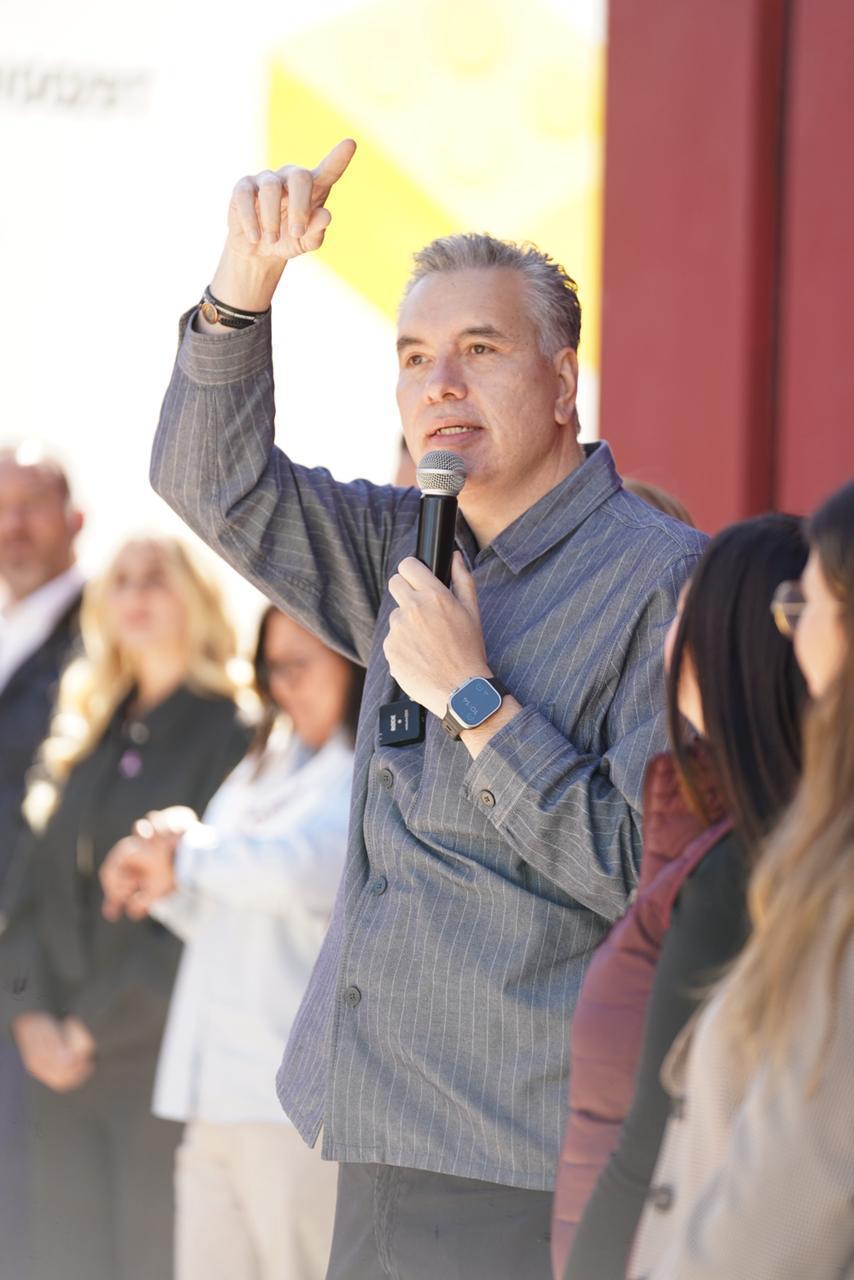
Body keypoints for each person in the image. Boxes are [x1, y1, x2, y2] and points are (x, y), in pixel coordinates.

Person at [150, 140, 707, 1280]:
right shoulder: (399, 543)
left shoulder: (665, 584)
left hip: (516, 1165)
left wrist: (476, 702)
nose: (437, 382)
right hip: (368, 1135)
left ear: (562, 383)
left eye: (477, 349)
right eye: (412, 356)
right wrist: (241, 285)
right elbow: (213, 483)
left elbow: (639, 870)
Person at [553, 514, 807, 1280]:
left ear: (726, 648)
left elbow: (649, 1146)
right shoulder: (702, 832)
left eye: (680, 619)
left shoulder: (736, 871)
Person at [0, 535, 249, 1280]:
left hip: (159, 1071)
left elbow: (211, 912)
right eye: (123, 581)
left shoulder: (233, 731)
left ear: (198, 598)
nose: (135, 594)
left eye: (157, 579)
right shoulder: (85, 730)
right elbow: (27, 900)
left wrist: (89, 1025)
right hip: (57, 1067)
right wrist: (29, 1013)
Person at [628, 479, 854, 1280]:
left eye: (812, 600)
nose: (796, 627)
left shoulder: (765, 870)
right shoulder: (789, 853)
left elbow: (787, 1186)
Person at [99, 606, 363, 1280]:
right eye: (272, 666)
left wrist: (185, 852)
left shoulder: (369, 768)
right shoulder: (259, 765)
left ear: (356, 663)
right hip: (213, 1092)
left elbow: (303, 870)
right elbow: (229, 910)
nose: (283, 685)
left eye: (300, 663)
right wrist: (164, 885)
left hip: (289, 1105)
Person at [0, 442, 85, 1279]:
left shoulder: (102, 639)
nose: (11, 527)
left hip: (42, 989)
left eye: (29, 505)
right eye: (0, 508)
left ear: (75, 521)